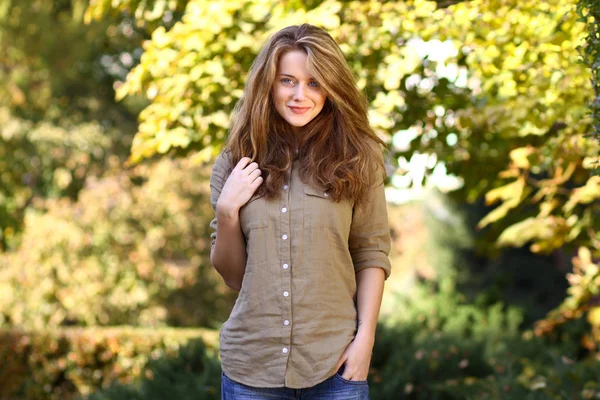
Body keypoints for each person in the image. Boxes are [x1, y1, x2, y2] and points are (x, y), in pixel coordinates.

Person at [209, 23, 391, 400]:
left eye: (314, 83)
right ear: (268, 84)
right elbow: (234, 277)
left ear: (331, 89)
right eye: (287, 81)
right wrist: (228, 211)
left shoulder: (359, 159)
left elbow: (371, 252)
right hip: (251, 372)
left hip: (336, 367)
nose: (299, 95)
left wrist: (365, 343)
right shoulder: (234, 162)